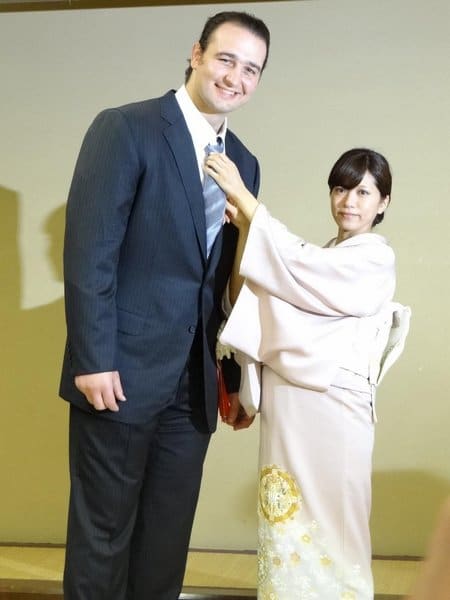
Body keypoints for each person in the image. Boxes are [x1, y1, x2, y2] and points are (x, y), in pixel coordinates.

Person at [59, 11, 270, 600]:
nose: (235, 77)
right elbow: (90, 251)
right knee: (103, 538)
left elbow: (225, 282)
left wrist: (232, 377)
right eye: (226, 59)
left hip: (192, 388)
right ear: (196, 54)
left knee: (166, 543)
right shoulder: (126, 128)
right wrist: (93, 357)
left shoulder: (245, 164)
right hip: (118, 373)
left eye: (251, 69)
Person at [205, 147, 410, 599]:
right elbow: (254, 292)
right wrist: (248, 230)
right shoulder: (316, 258)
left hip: (334, 405)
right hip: (290, 403)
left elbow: (297, 265)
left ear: (384, 202)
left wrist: (251, 207)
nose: (349, 201)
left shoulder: (373, 258)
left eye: (363, 192)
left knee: (337, 522)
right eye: (340, 189)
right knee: (284, 515)